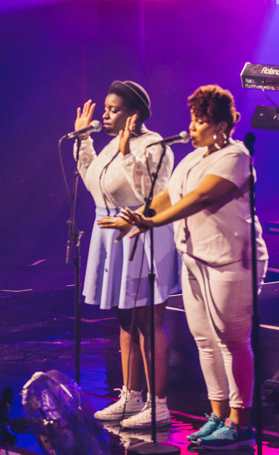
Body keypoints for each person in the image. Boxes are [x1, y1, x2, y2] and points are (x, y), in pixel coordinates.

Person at [102, 85, 266, 450]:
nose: (191, 127)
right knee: (205, 340)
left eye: (200, 121)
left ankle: (240, 422)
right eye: (192, 119)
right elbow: (168, 196)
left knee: (232, 340)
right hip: (195, 258)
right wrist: (136, 217)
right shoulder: (191, 158)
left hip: (231, 260)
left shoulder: (235, 156)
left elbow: (200, 197)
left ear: (221, 126)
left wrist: (151, 223)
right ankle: (218, 415)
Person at [74, 81, 179, 429]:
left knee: (148, 320)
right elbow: (94, 184)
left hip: (142, 234)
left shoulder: (154, 146)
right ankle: (131, 396)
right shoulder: (110, 145)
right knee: (126, 320)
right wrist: (83, 141)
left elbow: (155, 196)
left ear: (133, 115)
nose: (105, 115)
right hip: (111, 235)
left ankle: (157, 404)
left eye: (113, 109)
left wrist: (128, 155)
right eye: (105, 109)